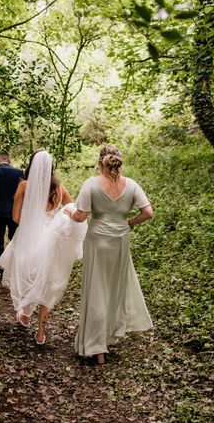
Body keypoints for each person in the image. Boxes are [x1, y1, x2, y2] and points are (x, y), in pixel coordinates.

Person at [65, 144, 153, 365]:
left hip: (97, 242)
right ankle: (108, 335)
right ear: (118, 161)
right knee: (114, 288)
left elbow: (81, 216)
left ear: (100, 162)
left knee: (96, 289)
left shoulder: (91, 184)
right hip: (120, 241)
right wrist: (129, 222)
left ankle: (97, 348)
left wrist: (69, 211)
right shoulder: (131, 185)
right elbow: (148, 213)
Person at [0, 150, 87, 345]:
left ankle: (24, 313)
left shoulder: (24, 186)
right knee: (47, 282)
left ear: (32, 165)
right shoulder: (60, 189)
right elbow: (71, 210)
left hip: (28, 237)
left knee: (27, 275)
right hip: (51, 240)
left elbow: (15, 218)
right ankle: (40, 332)